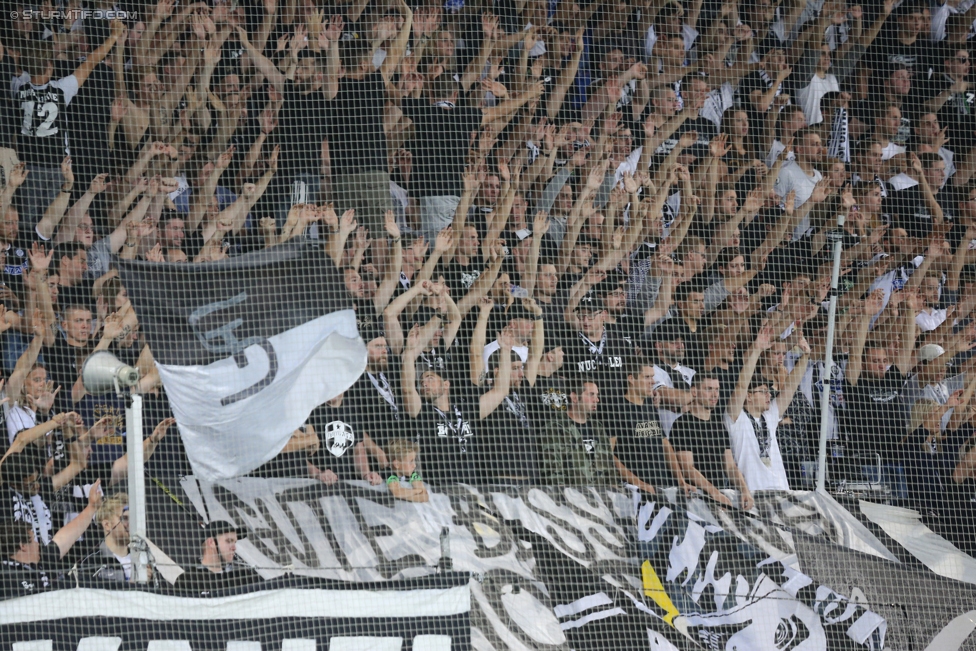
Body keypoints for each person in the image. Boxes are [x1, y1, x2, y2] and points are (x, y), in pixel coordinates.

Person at [725, 328, 811, 492]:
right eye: (763, 391)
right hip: (752, 494)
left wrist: (806, 356)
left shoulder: (769, 416)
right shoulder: (736, 417)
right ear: (748, 396)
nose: (768, 395)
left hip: (781, 491)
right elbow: (742, 384)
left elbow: (790, 387)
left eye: (768, 391)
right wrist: (757, 349)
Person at [0, 478, 102, 597]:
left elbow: (64, 538)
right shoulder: (4, 574)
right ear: (23, 546)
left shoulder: (42, 561)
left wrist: (91, 508)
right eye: (33, 540)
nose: (38, 544)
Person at [669, 373, 754, 509]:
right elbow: (687, 468)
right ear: (694, 391)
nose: (714, 395)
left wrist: (744, 490)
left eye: (717, 389)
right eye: (708, 389)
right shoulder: (682, 424)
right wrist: (715, 494)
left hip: (719, 499)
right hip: (695, 501)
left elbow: (730, 467)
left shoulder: (719, 426)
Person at [540, 377, 614, 485]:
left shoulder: (598, 428)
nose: (597, 400)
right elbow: (553, 475)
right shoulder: (555, 429)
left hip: (603, 498)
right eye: (591, 394)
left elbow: (610, 470)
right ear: (574, 397)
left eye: (597, 395)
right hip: (572, 497)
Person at [173, 520, 261, 593]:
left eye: (234, 542)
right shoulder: (187, 581)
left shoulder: (245, 576)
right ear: (211, 542)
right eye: (229, 541)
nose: (234, 547)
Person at [385, 439, 429, 503]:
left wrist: (403, 494)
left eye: (414, 460)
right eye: (411, 461)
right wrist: (416, 491)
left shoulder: (412, 474)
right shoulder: (389, 474)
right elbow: (397, 493)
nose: (414, 465)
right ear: (397, 464)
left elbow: (425, 497)